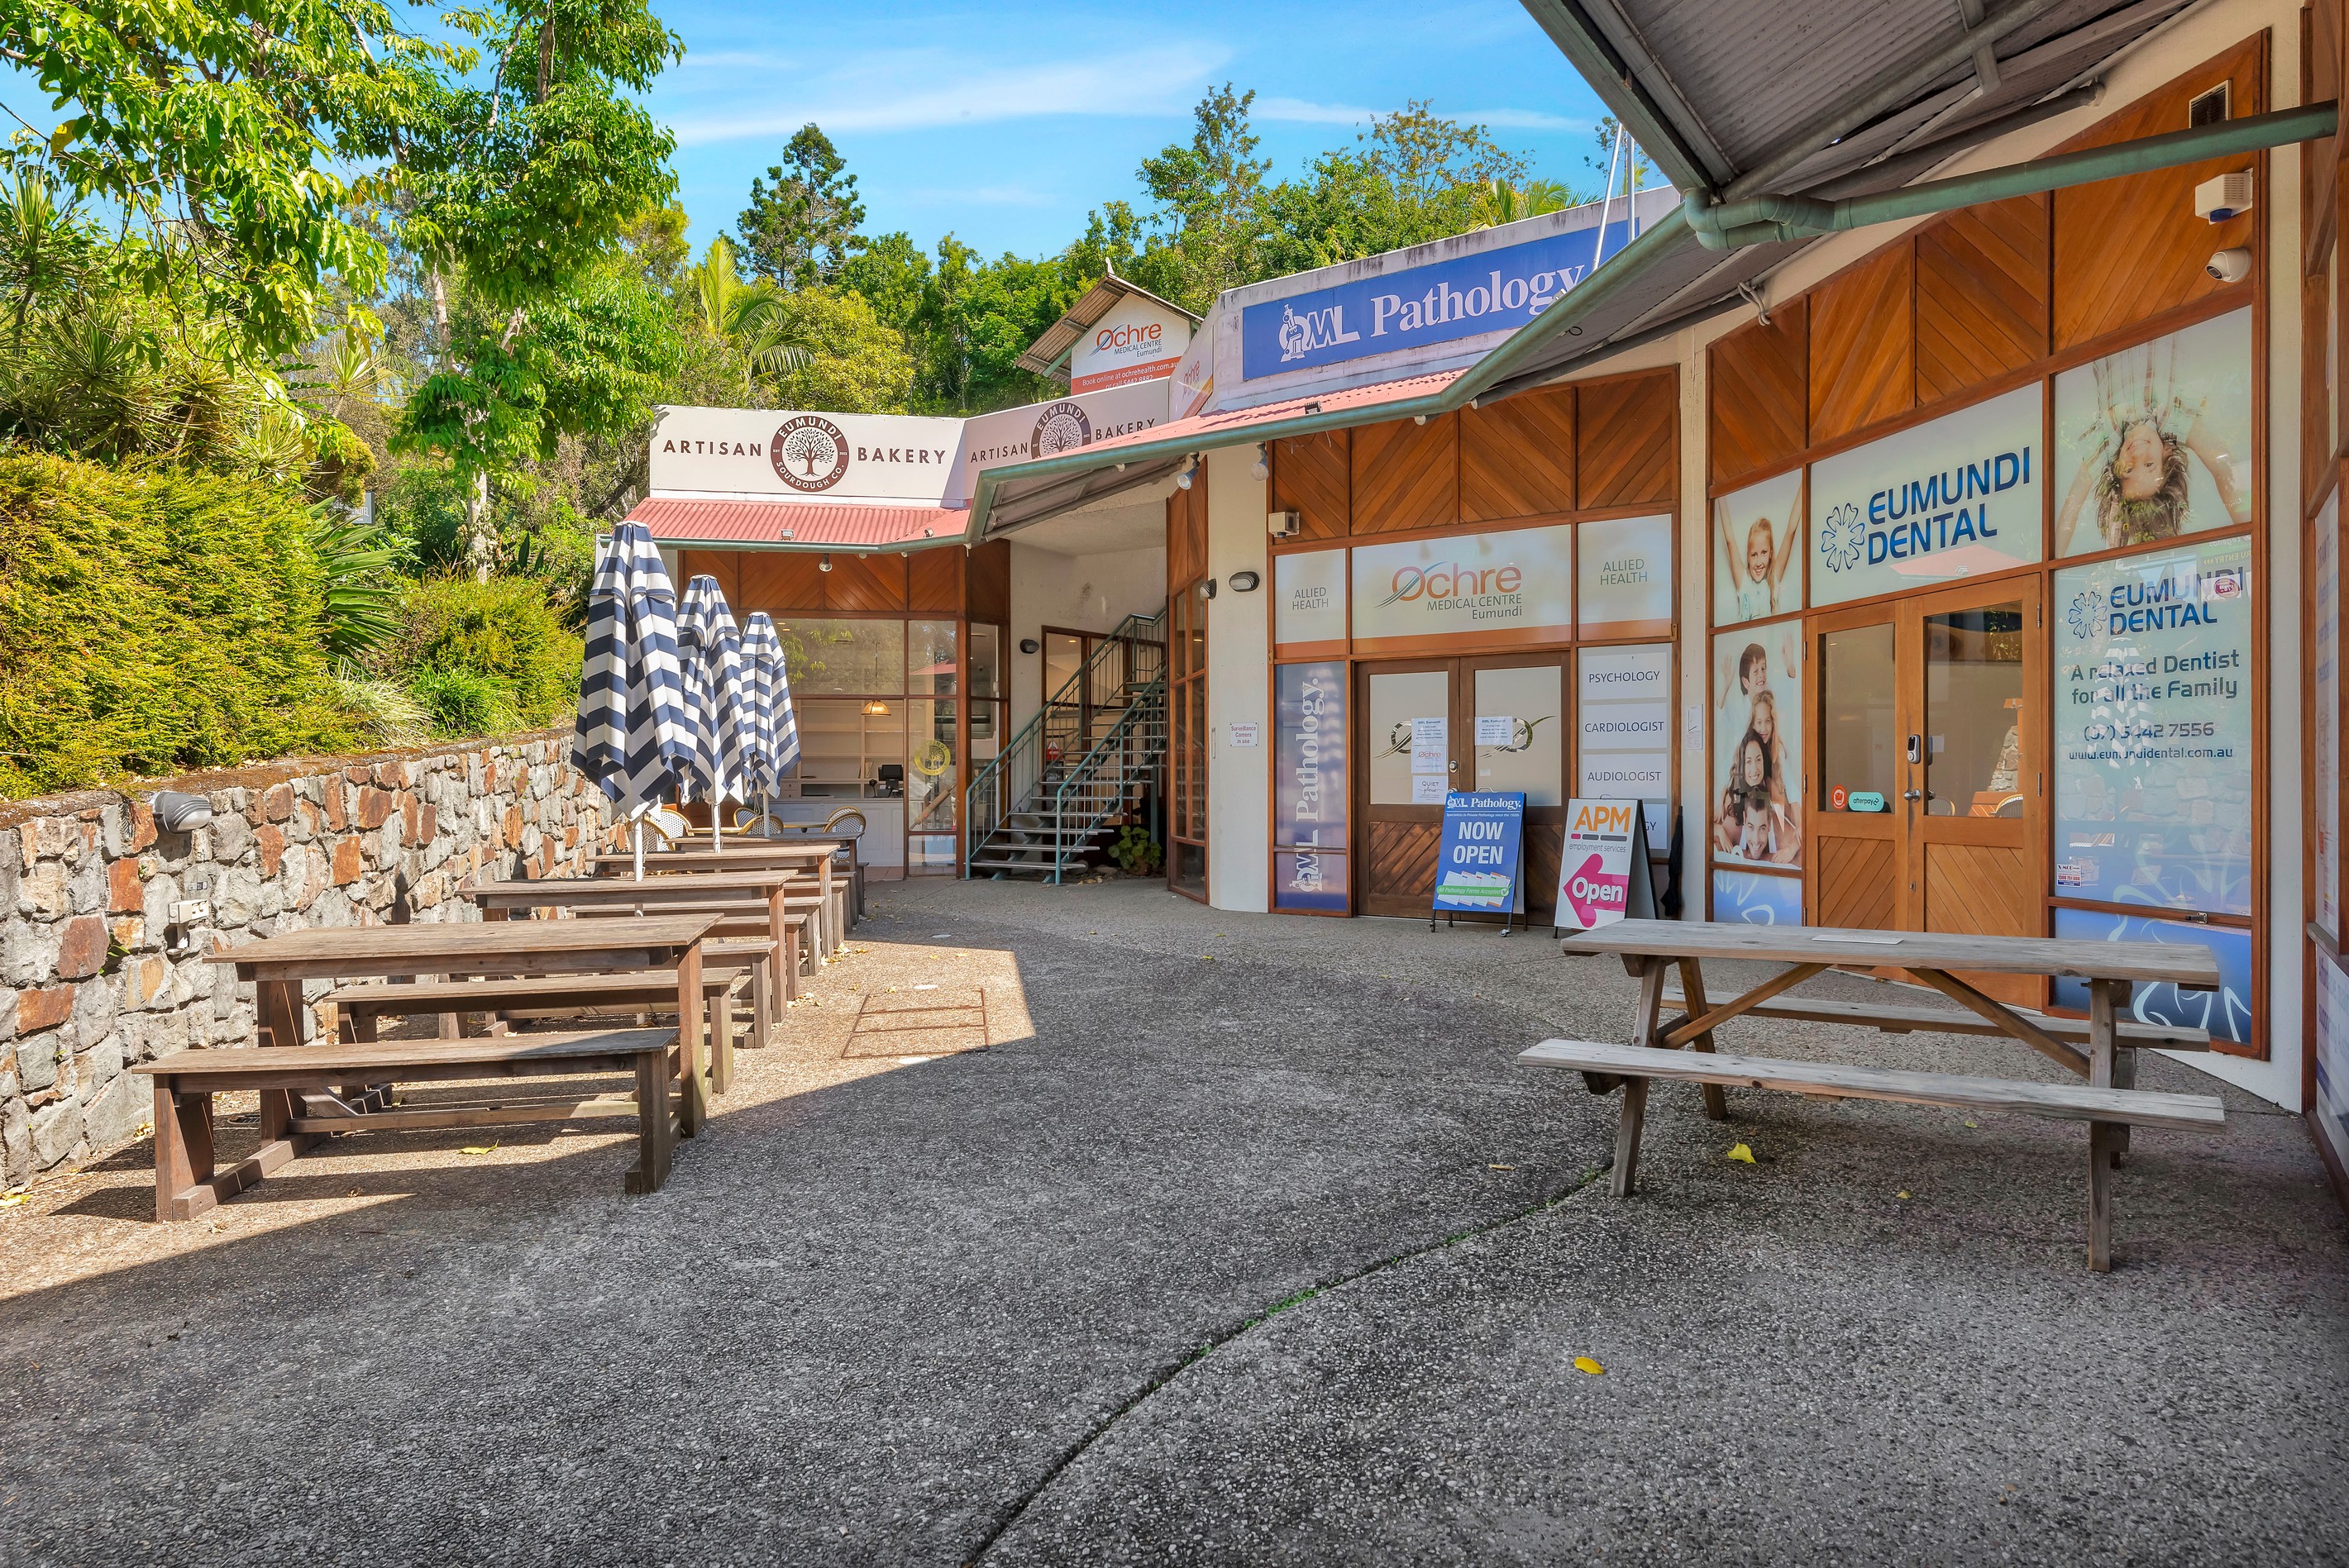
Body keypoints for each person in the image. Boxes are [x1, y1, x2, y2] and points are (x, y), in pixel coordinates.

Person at [2055, 352, 2251, 555]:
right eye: (2149, 465)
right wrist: (2252, 533)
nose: (2138, 455)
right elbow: (2223, 467)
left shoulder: (2108, 439)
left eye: (2129, 469)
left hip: (2108, 340)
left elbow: (2072, 506)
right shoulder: (2173, 420)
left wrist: (2055, 560)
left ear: (2116, 467)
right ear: (2166, 453)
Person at [1717, 499, 1798, 621]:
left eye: (1763, 553)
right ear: (1748, 556)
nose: (1759, 562)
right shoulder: (1743, 580)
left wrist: (1805, 485)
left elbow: (1790, 532)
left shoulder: (1773, 579)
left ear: (1771, 553)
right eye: (1754, 555)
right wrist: (1720, 496)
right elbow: (1730, 540)